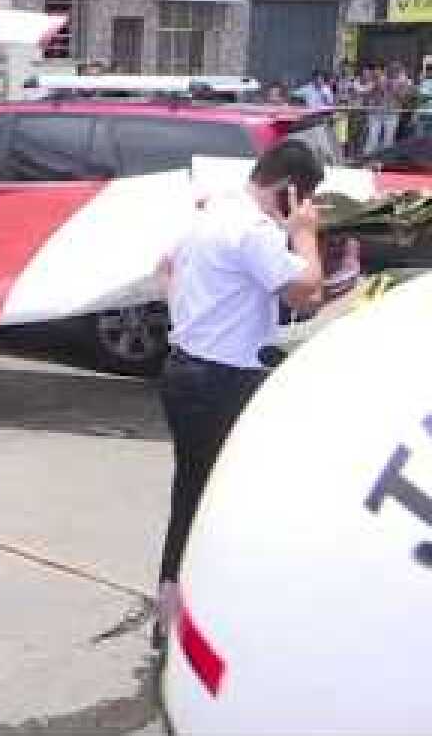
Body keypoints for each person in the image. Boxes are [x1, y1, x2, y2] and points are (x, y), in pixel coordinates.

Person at [155, 140, 337, 646]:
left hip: (186, 369)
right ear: (289, 191)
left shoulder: (215, 211)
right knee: (211, 496)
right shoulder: (253, 230)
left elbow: (164, 268)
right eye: (303, 200)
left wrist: (192, 320)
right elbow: (309, 291)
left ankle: (172, 602)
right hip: (221, 380)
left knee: (193, 488)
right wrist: (305, 236)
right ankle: (184, 609)